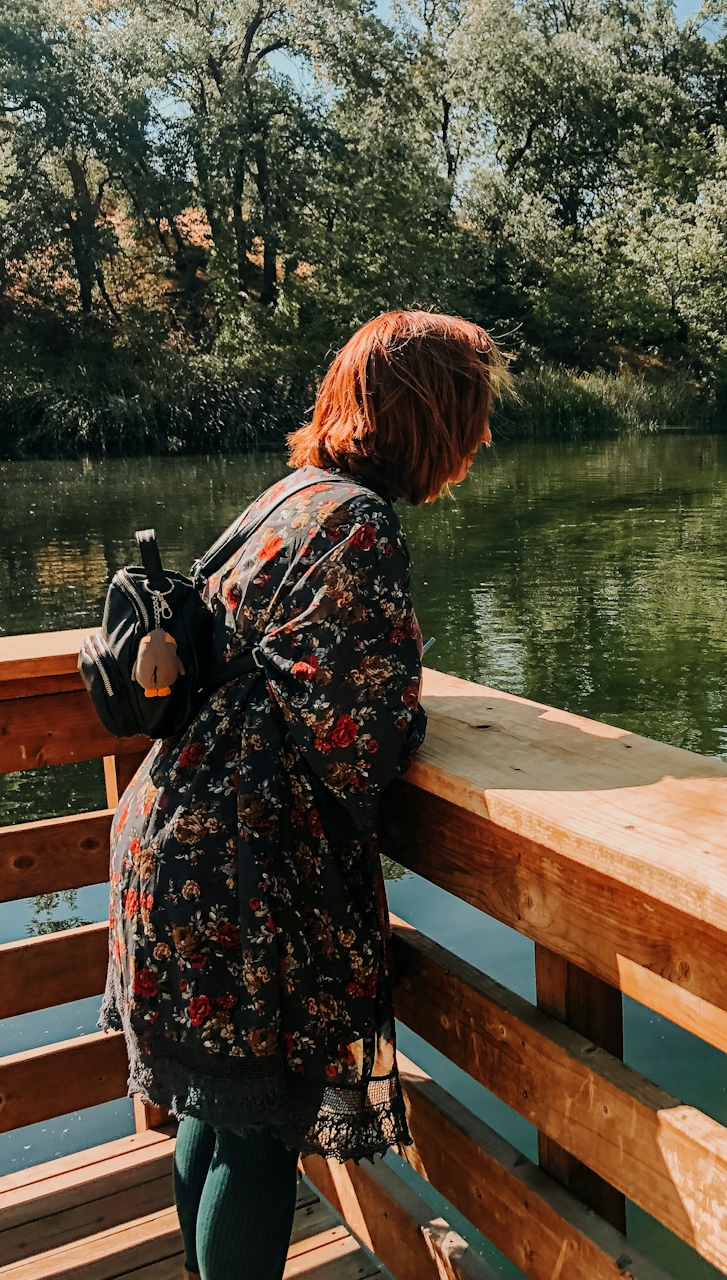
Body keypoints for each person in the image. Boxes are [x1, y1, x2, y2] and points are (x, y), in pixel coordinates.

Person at [100, 311, 507, 1280]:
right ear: (429, 419)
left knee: (217, 1109)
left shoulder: (293, 495)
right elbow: (354, 740)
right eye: (472, 414)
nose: (481, 438)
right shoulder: (359, 523)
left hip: (173, 839)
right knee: (258, 1129)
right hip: (241, 876)